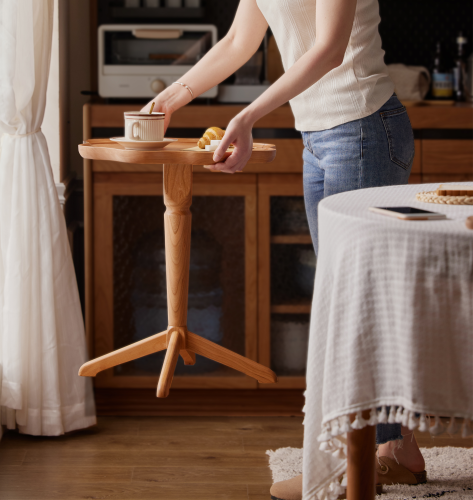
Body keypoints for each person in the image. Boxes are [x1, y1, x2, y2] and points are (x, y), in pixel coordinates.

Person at [143, 0, 423, 498]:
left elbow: (330, 49)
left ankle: (360, 458)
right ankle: (389, 450)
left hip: (362, 130)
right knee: (349, 306)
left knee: (353, 308)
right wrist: (170, 97)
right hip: (321, 137)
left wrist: (248, 116)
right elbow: (237, 42)